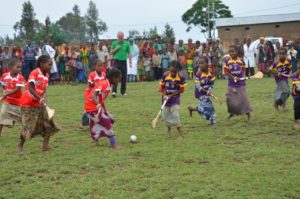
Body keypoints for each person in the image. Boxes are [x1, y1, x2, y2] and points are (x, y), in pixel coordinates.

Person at [18, 55, 59, 152]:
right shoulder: (35, 72)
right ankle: (20, 145)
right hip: (28, 103)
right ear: (41, 64)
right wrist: (39, 98)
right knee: (28, 126)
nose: (51, 67)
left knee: (49, 122)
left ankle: (45, 145)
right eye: (49, 64)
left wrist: (43, 97)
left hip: (39, 102)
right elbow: (30, 88)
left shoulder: (47, 75)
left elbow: (43, 89)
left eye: (51, 64)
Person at [84, 68, 121, 149]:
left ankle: (95, 137)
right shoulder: (105, 84)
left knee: (110, 119)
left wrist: (105, 110)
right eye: (118, 78)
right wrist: (98, 105)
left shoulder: (108, 84)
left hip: (92, 107)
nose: (119, 81)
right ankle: (113, 144)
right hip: (92, 108)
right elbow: (94, 95)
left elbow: (101, 99)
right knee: (107, 121)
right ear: (114, 77)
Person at [224, 45, 252, 121]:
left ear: (236, 52)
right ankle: (232, 113)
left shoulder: (241, 61)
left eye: (233, 51)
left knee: (243, 99)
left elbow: (243, 70)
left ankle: (248, 114)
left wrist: (243, 77)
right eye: (230, 52)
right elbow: (226, 72)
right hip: (231, 84)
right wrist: (233, 77)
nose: (231, 53)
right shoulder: (227, 61)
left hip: (240, 84)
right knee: (229, 99)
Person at [159, 61, 186, 140]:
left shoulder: (181, 78)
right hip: (166, 99)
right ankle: (169, 128)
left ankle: (180, 133)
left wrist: (171, 95)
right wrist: (164, 95)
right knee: (165, 116)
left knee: (175, 115)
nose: (172, 73)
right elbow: (162, 87)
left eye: (174, 72)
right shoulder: (165, 76)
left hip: (175, 99)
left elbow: (181, 90)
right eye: (171, 71)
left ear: (177, 71)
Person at [188, 57, 216, 127]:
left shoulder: (211, 72)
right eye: (199, 63)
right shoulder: (198, 74)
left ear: (207, 64)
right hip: (200, 93)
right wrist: (205, 91)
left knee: (210, 107)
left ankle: (192, 109)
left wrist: (209, 89)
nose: (200, 65)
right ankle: (211, 122)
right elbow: (197, 86)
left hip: (207, 92)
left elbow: (212, 83)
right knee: (207, 108)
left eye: (202, 63)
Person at [0, 59, 24, 136]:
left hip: (18, 102)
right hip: (7, 101)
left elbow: (17, 89)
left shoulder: (20, 77)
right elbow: (3, 84)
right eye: (18, 67)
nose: (19, 69)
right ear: (10, 67)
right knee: (2, 117)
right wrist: (5, 90)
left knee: (24, 120)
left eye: (20, 67)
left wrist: (6, 94)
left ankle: (26, 134)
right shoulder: (4, 76)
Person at [110, 32, 131, 97]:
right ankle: (114, 91)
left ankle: (123, 92)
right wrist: (116, 49)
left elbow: (129, 52)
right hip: (116, 61)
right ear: (117, 37)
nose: (120, 37)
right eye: (119, 36)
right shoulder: (114, 43)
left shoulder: (127, 43)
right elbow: (111, 52)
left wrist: (130, 61)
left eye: (121, 36)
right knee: (115, 76)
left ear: (123, 36)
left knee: (124, 76)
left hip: (124, 61)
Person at [291, 62, 300, 129]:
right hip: (297, 94)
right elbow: (295, 87)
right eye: (298, 68)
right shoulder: (295, 75)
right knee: (296, 107)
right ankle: (296, 121)